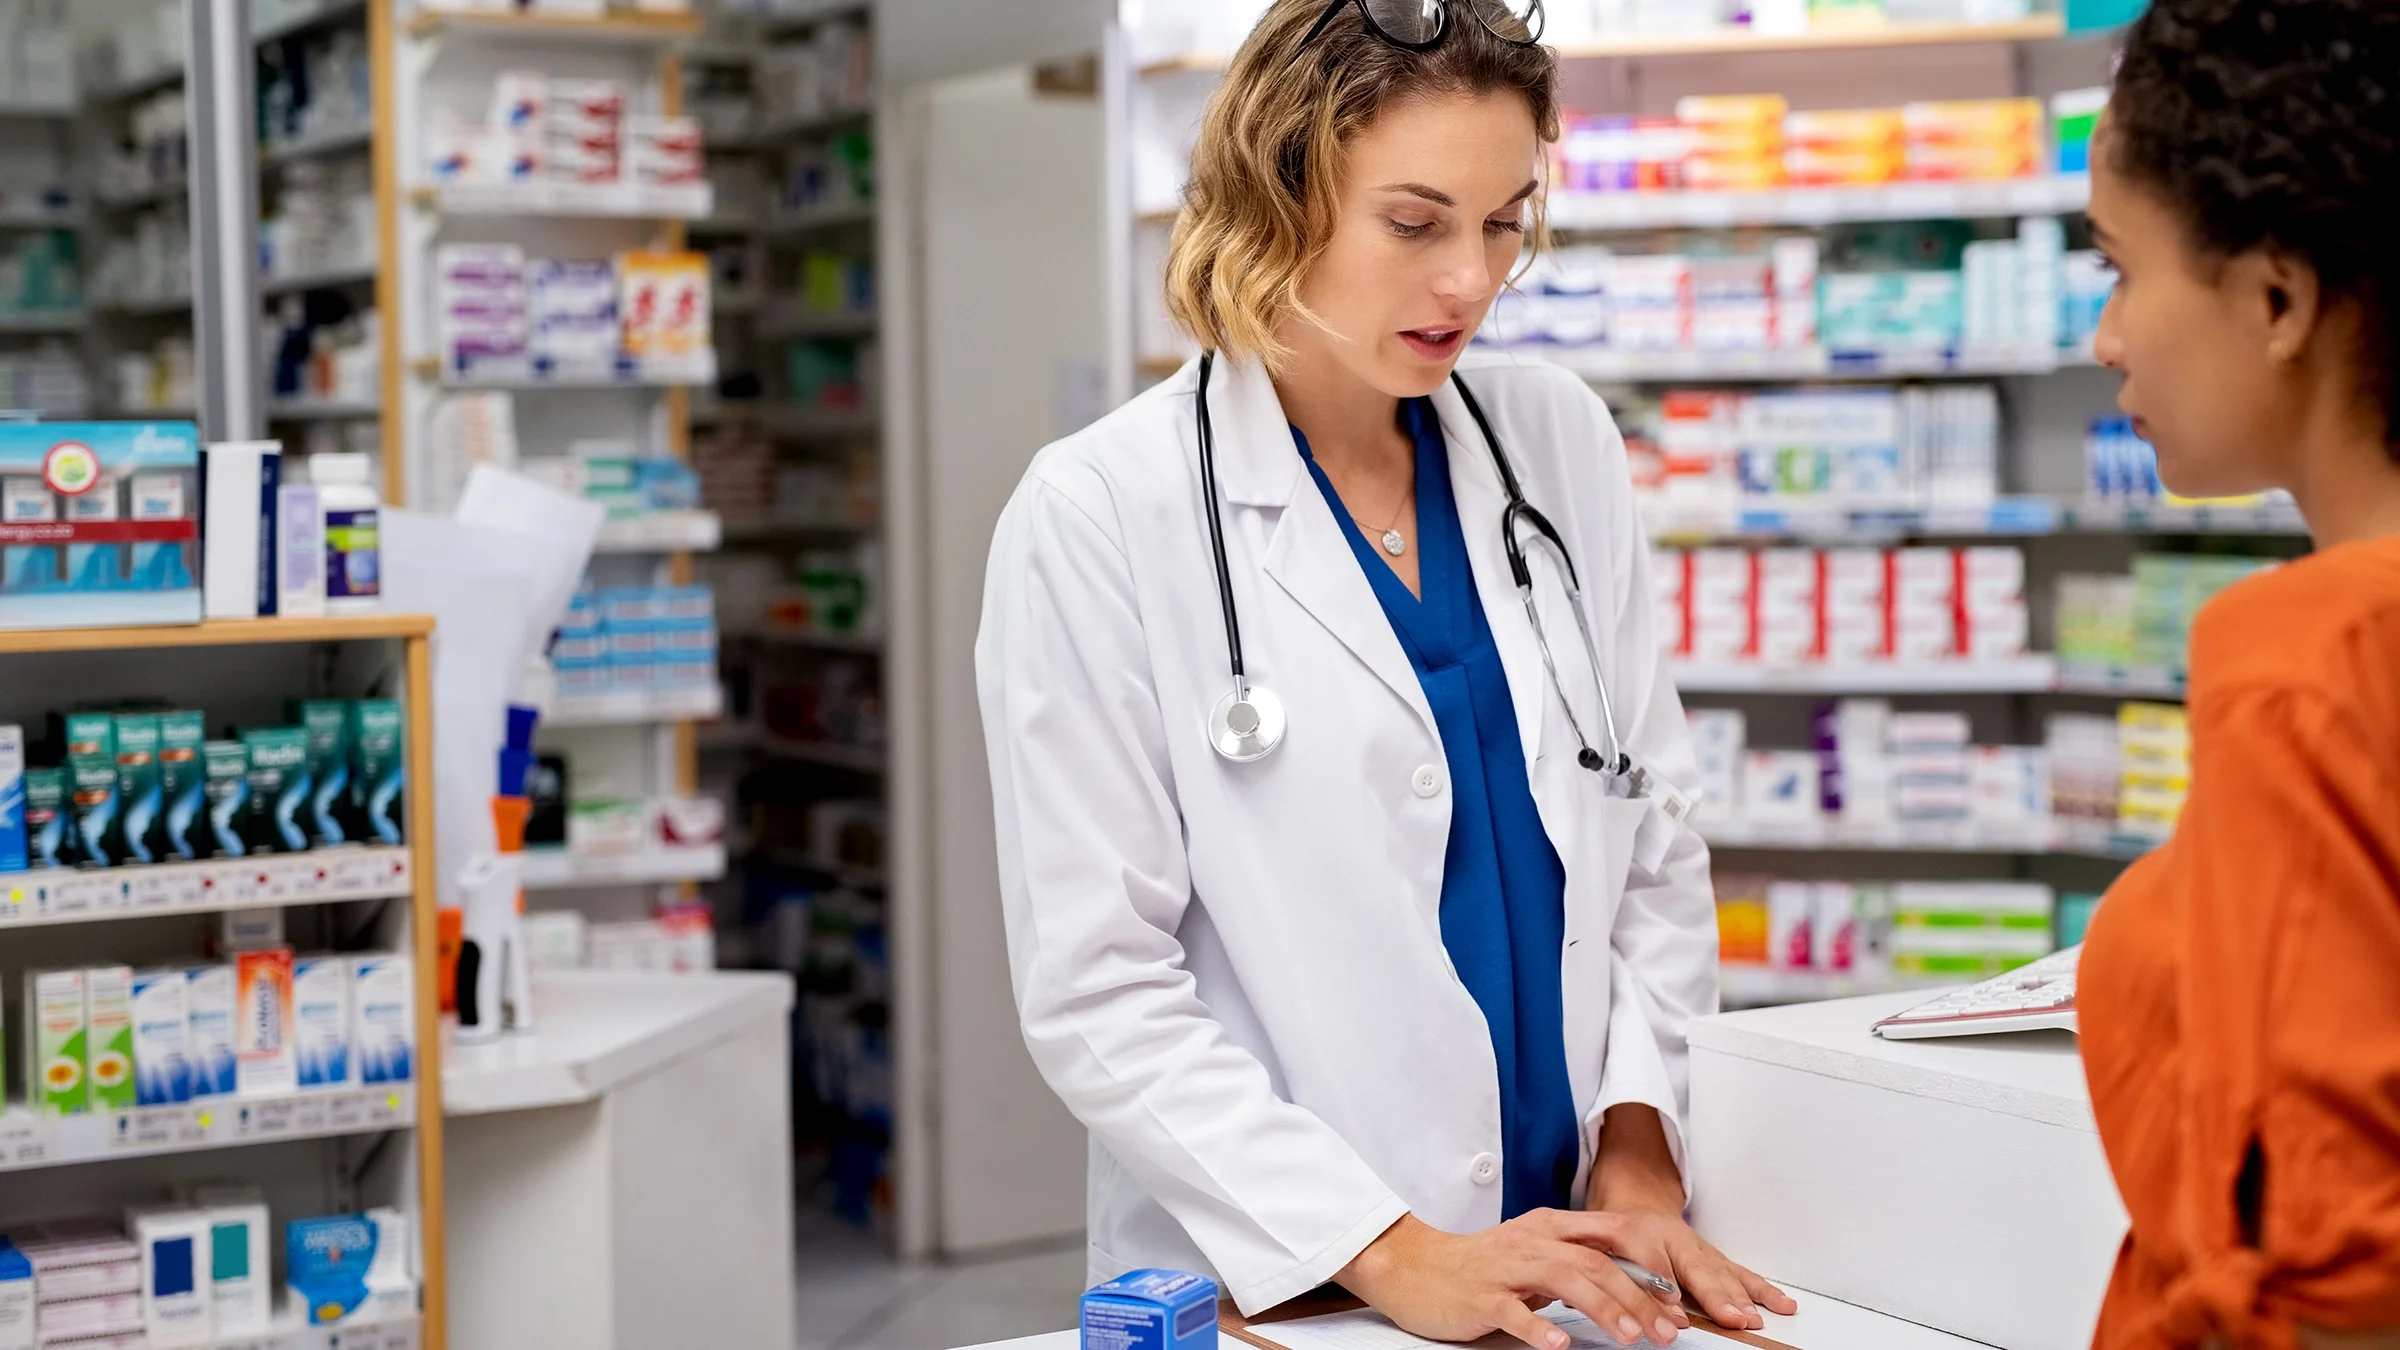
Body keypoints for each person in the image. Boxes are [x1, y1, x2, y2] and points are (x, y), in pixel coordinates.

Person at [975, 1, 1794, 1345]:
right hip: (1295, 1280)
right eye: (1415, 224)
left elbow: (1651, 831)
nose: (1470, 280)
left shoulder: (1557, 441)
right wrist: (1393, 1250)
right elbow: (1098, 983)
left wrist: (1642, 1149)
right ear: (1278, 199)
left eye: (1505, 222)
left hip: (1580, 1256)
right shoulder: (1101, 511)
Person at [2076, 0, 2400, 1346]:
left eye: (2119, 267)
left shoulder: (2315, 663)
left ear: (2276, 299)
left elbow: (2337, 1278)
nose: (2106, 337)